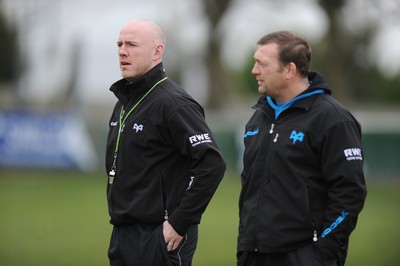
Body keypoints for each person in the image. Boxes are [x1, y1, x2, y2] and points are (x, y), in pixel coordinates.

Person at [237, 31, 367, 266]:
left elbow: (350, 194)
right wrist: (244, 247)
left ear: (290, 70)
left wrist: (322, 252)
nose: (254, 70)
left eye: (262, 64)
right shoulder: (258, 118)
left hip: (305, 255)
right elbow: (249, 188)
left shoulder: (333, 119)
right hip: (254, 254)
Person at [105, 19, 226, 266]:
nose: (122, 51)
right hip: (123, 234)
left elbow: (212, 164)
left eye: (132, 45)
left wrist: (179, 222)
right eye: (119, 44)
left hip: (161, 235)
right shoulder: (123, 102)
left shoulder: (174, 103)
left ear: (157, 51)